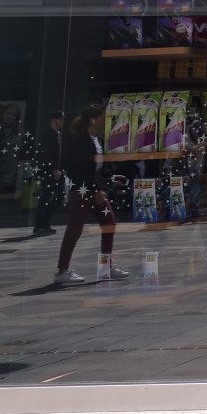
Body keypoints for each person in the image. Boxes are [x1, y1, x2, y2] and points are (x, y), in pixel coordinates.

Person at [54, 105, 129, 285]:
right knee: (75, 228)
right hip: (82, 191)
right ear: (92, 120)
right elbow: (78, 170)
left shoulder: (97, 140)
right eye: (103, 118)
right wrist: (95, 190)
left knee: (109, 222)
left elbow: (95, 169)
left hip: (93, 190)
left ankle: (106, 266)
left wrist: (109, 180)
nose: (106, 121)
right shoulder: (81, 141)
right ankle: (62, 270)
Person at [32, 110, 65, 236]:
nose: (63, 122)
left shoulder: (58, 134)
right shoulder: (48, 134)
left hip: (58, 170)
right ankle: (40, 224)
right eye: (61, 119)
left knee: (59, 196)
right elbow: (45, 154)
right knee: (46, 196)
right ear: (54, 120)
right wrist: (53, 169)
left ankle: (45, 221)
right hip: (48, 170)